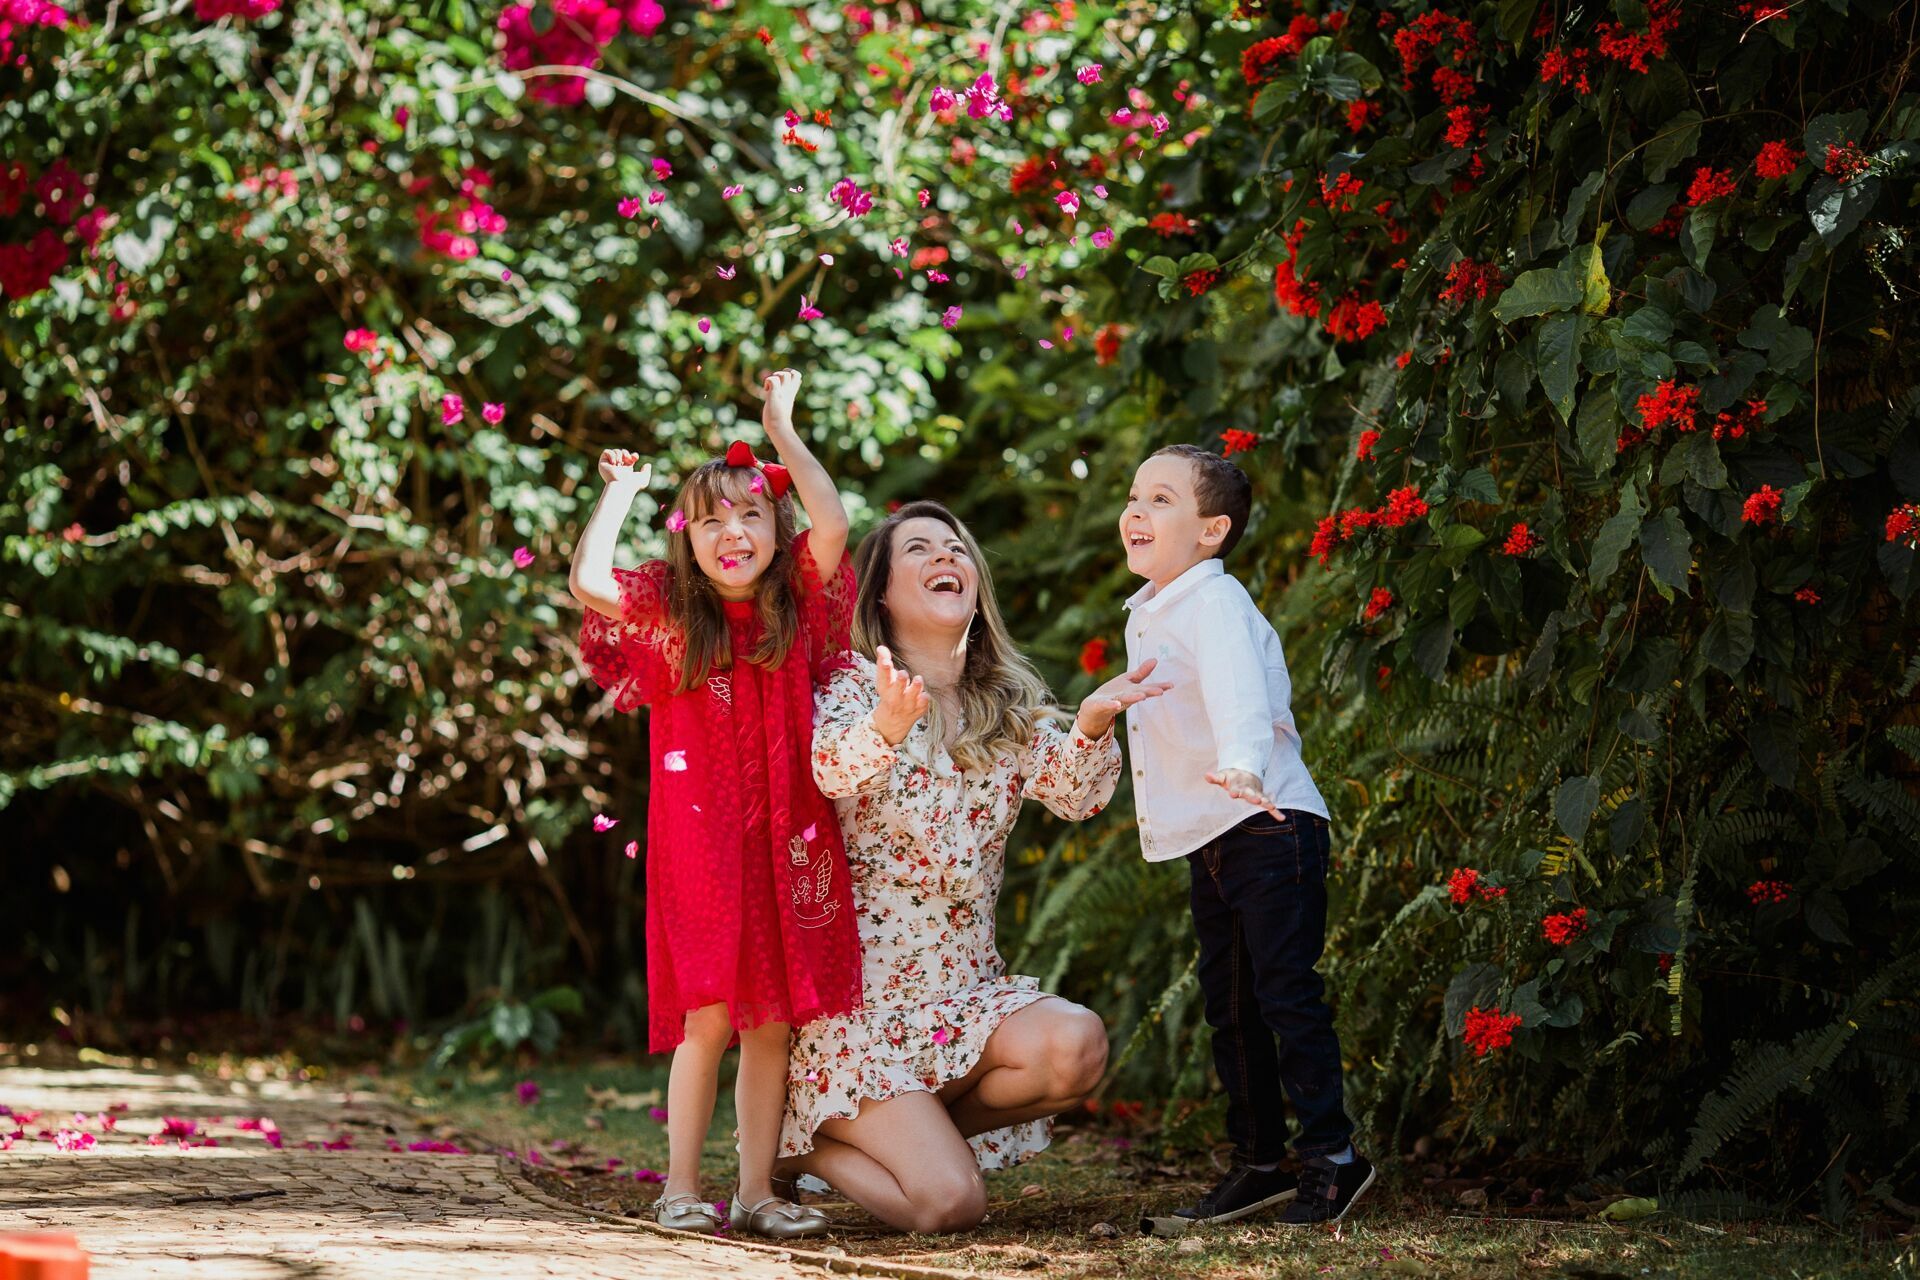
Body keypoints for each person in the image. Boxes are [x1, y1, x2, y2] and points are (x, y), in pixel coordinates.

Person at [776, 501, 1169, 1233]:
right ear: (884, 594)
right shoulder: (854, 687)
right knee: (949, 1204)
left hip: (966, 1000)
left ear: (975, 583)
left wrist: (1088, 723)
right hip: (865, 1014)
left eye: (955, 549)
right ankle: (801, 1147)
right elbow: (830, 771)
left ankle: (919, 1136)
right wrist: (886, 728)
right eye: (918, 549)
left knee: (1074, 1046)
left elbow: (1077, 795)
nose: (943, 558)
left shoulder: (1005, 705)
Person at [571, 370, 862, 1240]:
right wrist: (621, 492)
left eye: (750, 515)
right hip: (702, 846)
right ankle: (680, 1186)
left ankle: (758, 1190)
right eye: (710, 520)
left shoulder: (799, 603)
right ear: (687, 538)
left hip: (790, 837)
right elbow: (590, 578)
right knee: (709, 1016)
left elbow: (837, 522)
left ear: (776, 528)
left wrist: (782, 431)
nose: (732, 533)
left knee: (771, 1023)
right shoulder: (670, 615)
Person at [1118, 443, 1374, 1231]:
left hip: (1268, 821)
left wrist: (1241, 765)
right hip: (1216, 834)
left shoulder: (1214, 604)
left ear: (1212, 530)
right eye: (1133, 496)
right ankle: (1260, 1162)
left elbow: (1239, 691)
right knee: (1231, 1008)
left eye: (1161, 500)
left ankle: (1332, 1157)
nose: (1136, 511)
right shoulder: (1151, 611)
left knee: (1285, 996)